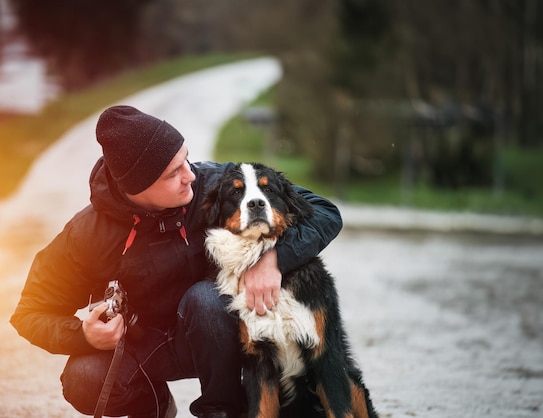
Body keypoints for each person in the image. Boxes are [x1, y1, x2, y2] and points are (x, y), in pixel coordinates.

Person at [10, 105, 343, 418]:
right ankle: (154, 407)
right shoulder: (86, 234)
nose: (190, 176)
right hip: (146, 346)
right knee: (83, 379)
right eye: (173, 173)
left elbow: (326, 213)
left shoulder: (218, 185)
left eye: (185, 159)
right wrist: (85, 334)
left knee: (207, 298)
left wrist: (272, 260)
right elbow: (29, 312)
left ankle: (224, 409)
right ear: (136, 188)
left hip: (224, 334)